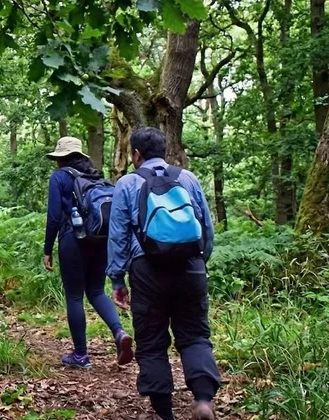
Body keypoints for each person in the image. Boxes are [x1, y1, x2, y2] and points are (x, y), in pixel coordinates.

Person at [107, 127, 220, 420]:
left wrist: (117, 279)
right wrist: (200, 262)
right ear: (164, 150)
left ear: (136, 154)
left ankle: (164, 412)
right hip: (190, 265)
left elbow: (118, 235)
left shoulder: (127, 183)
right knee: (195, 335)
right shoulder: (187, 178)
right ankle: (203, 400)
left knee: (151, 340)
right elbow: (206, 227)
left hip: (147, 270)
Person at [42, 136, 133, 369]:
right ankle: (119, 332)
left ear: (61, 158)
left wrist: (47, 249)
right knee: (96, 290)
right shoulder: (96, 177)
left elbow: (54, 217)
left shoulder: (59, 177)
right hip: (100, 240)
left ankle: (81, 355)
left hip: (72, 239)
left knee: (74, 296)